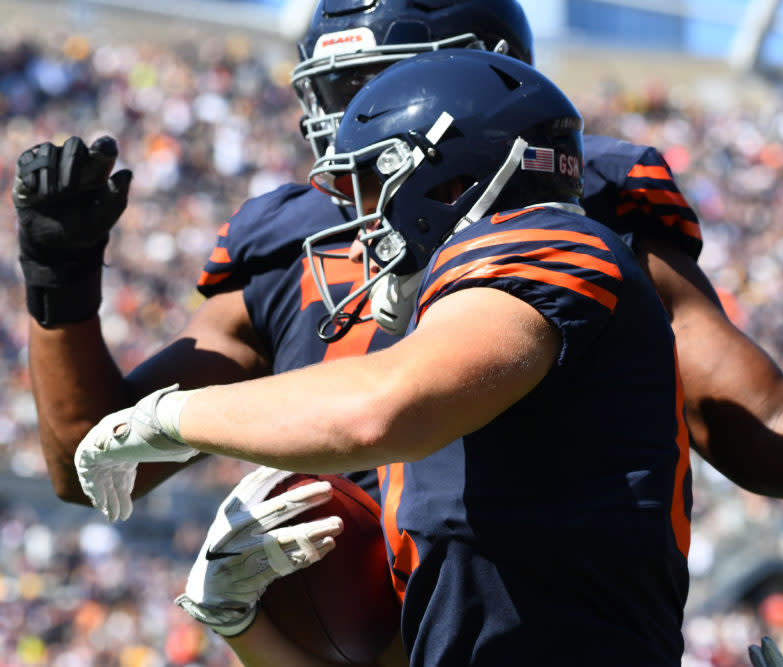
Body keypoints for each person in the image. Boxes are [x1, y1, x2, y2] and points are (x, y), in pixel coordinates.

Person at [77, 48, 692, 665]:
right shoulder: (446, 409)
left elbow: (376, 410)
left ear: (448, 180)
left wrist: (168, 417)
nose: (362, 221)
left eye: (372, 185)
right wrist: (237, 623)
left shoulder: (555, 242)